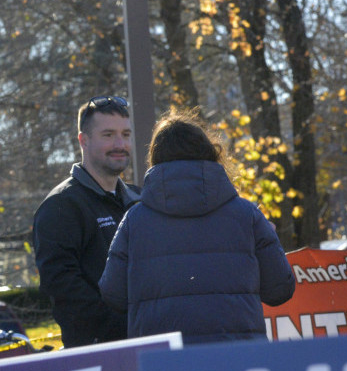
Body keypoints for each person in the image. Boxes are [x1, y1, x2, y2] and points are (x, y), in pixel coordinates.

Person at [99, 108, 294, 342]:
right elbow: (280, 289)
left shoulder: (134, 221)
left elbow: (113, 295)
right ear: (210, 152)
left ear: (156, 159)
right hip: (239, 359)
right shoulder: (247, 215)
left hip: (162, 361)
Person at [32, 95, 140, 347]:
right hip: (98, 356)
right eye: (108, 135)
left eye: (126, 134)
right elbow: (63, 291)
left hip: (149, 347)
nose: (120, 144)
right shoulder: (60, 206)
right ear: (84, 140)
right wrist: (126, 329)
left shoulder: (140, 199)